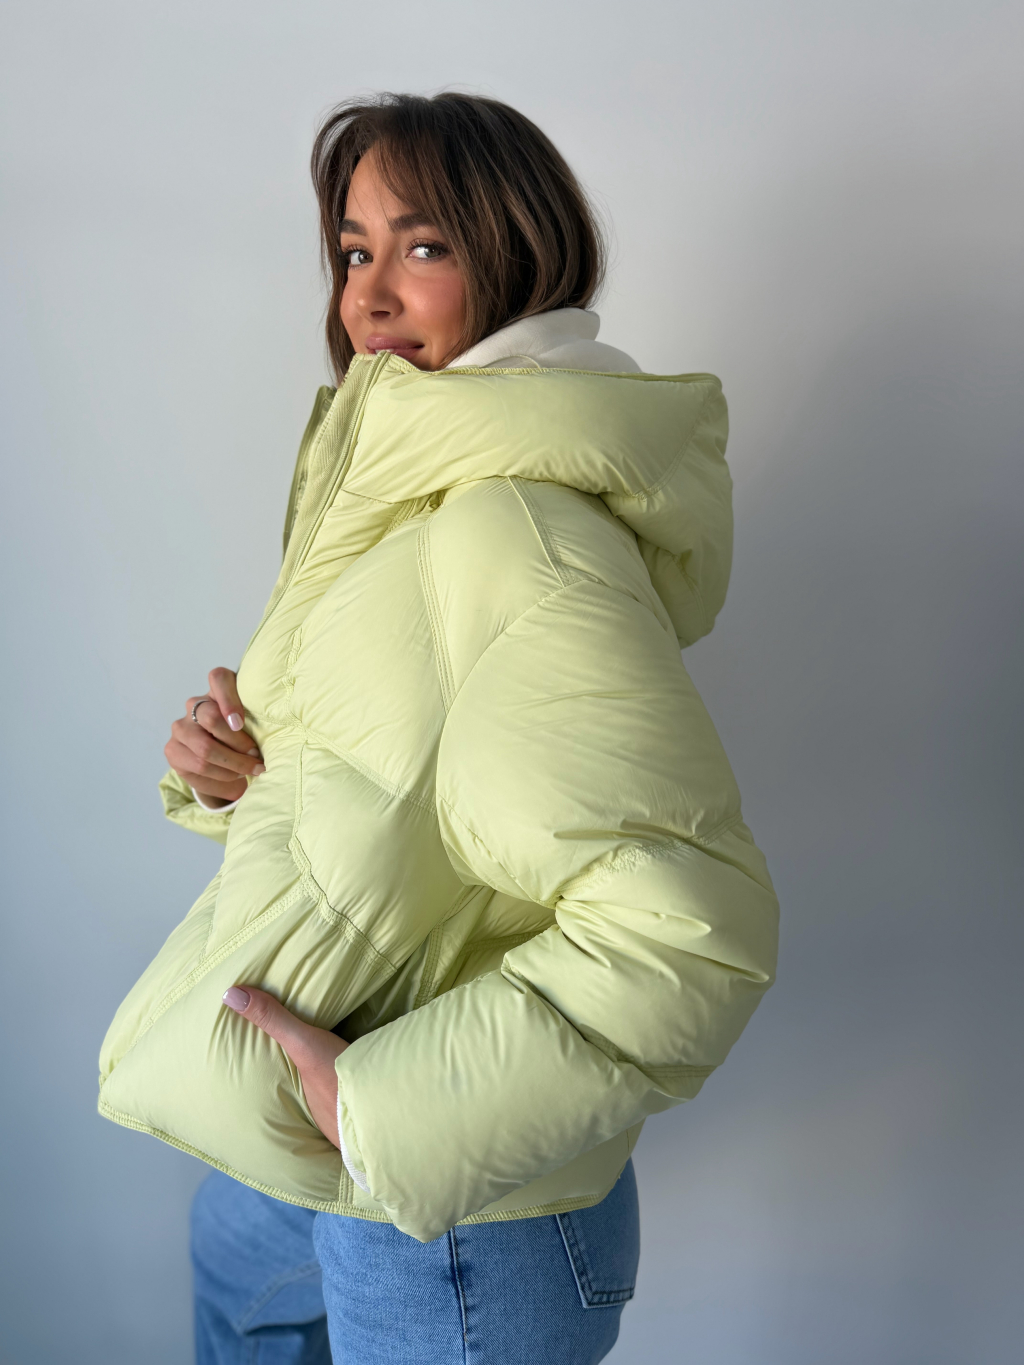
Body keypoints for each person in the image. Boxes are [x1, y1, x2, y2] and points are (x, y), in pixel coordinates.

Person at [99, 92, 779, 1364]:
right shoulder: (417, 494)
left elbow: (689, 936)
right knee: (229, 1266)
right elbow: (408, 803)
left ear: (517, 251)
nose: (366, 296)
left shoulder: (513, 535)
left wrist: (380, 1107)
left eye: (421, 246)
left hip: (456, 1220)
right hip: (332, 1151)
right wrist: (240, 779)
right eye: (353, 250)